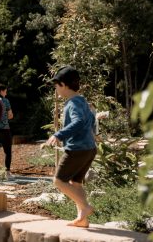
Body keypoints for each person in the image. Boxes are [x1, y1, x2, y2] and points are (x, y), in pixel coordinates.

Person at [44, 66, 97, 228]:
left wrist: (58, 134)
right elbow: (91, 121)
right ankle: (82, 218)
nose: (56, 89)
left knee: (59, 181)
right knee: (76, 183)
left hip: (77, 149)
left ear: (64, 85)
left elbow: (78, 122)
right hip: (89, 148)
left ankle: (85, 207)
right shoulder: (82, 100)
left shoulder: (72, 103)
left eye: (56, 85)